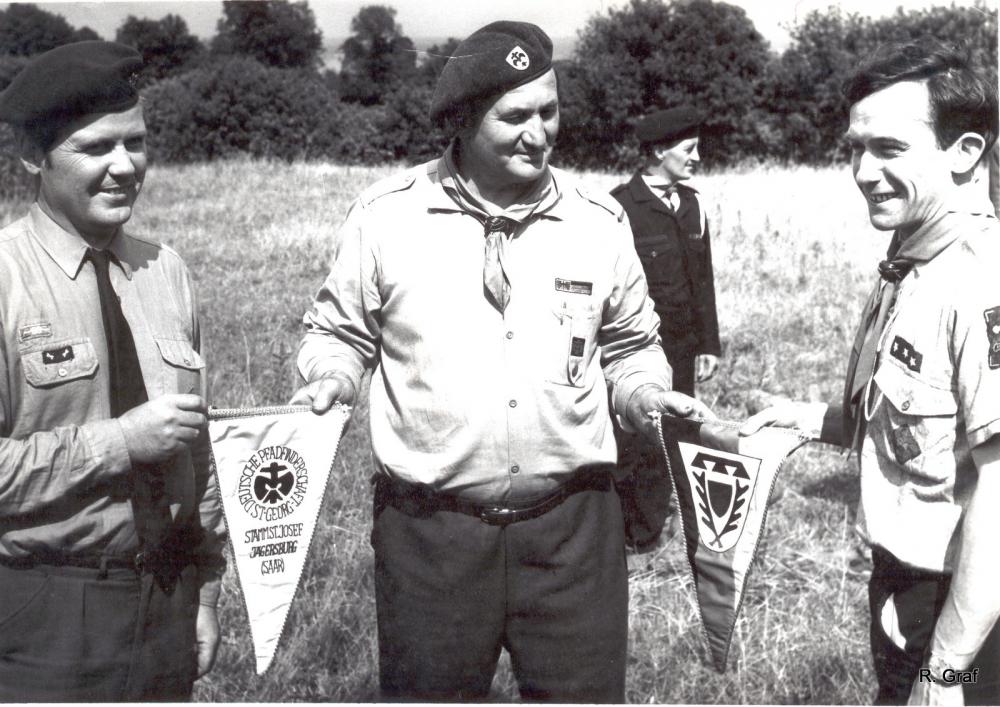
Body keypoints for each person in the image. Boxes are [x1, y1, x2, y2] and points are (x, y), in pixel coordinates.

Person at [292, 21, 711, 702]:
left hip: (574, 536)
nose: (539, 133)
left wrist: (645, 397)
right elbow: (336, 333)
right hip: (431, 541)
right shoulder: (386, 219)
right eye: (515, 116)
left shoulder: (598, 222)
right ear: (460, 121)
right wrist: (334, 376)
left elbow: (633, 347)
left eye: (549, 111)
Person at [741, 40, 1000, 706]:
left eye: (888, 148)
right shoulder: (916, 262)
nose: (862, 171)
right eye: (854, 149)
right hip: (905, 587)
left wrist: (947, 672)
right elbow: (922, 431)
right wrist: (806, 419)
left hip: (967, 614)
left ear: (965, 152)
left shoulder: (979, 286)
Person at [0, 41, 226, 700]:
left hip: (166, 594)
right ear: (32, 160)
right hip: (42, 608)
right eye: (97, 148)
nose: (126, 166)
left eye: (137, 143)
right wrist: (118, 443)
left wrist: (206, 589)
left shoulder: (168, 271)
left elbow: (198, 448)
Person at [609, 108, 722, 550]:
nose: (697, 157)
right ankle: (625, 529)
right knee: (632, 437)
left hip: (682, 346)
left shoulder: (692, 203)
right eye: (689, 149)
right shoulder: (619, 207)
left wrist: (708, 343)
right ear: (658, 151)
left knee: (671, 432)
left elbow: (704, 281)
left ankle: (649, 528)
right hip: (635, 349)